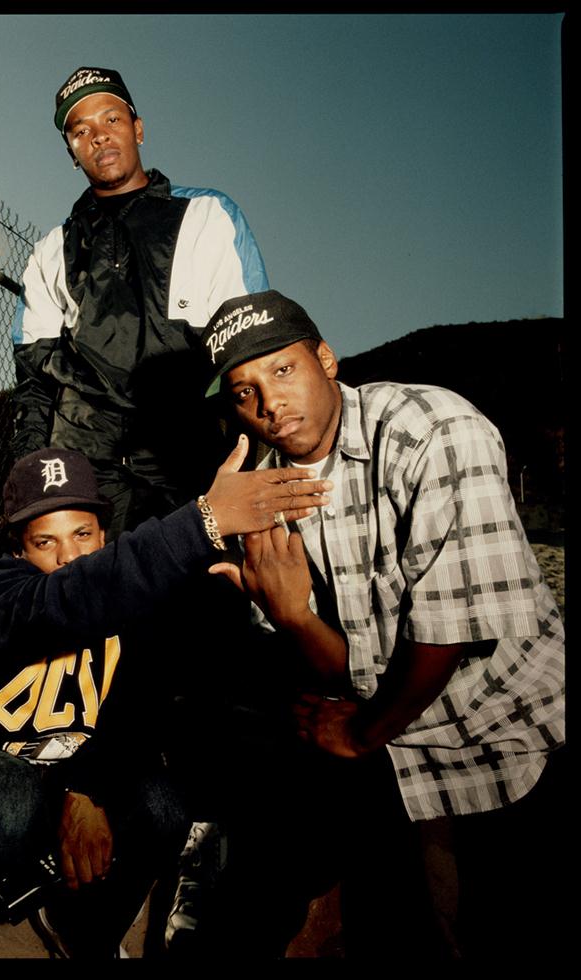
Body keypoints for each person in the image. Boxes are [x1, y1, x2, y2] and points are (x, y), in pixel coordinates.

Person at [196, 289, 567, 959]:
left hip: (513, 729)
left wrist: (364, 731)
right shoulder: (266, 491)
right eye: (244, 391)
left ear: (326, 359)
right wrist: (291, 616)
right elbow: (355, 665)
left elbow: (446, 636)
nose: (269, 403)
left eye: (282, 370)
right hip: (408, 744)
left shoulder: (434, 429)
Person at [0, 440, 334, 959]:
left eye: (82, 535)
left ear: (105, 533)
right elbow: (63, 602)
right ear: (17, 549)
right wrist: (202, 521)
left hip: (68, 778)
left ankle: (82, 932)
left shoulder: (130, 603)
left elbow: (136, 712)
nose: (69, 557)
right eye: (44, 542)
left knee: (161, 800)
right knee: (6, 788)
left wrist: (83, 789)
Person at [12, 66, 270, 538]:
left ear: (138, 128)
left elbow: (252, 349)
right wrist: (33, 481)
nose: (99, 138)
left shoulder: (209, 215)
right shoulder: (50, 251)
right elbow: (34, 384)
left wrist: (245, 453)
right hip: (87, 468)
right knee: (93, 603)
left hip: (186, 460)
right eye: (81, 130)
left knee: (198, 599)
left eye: (111, 120)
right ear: (71, 151)